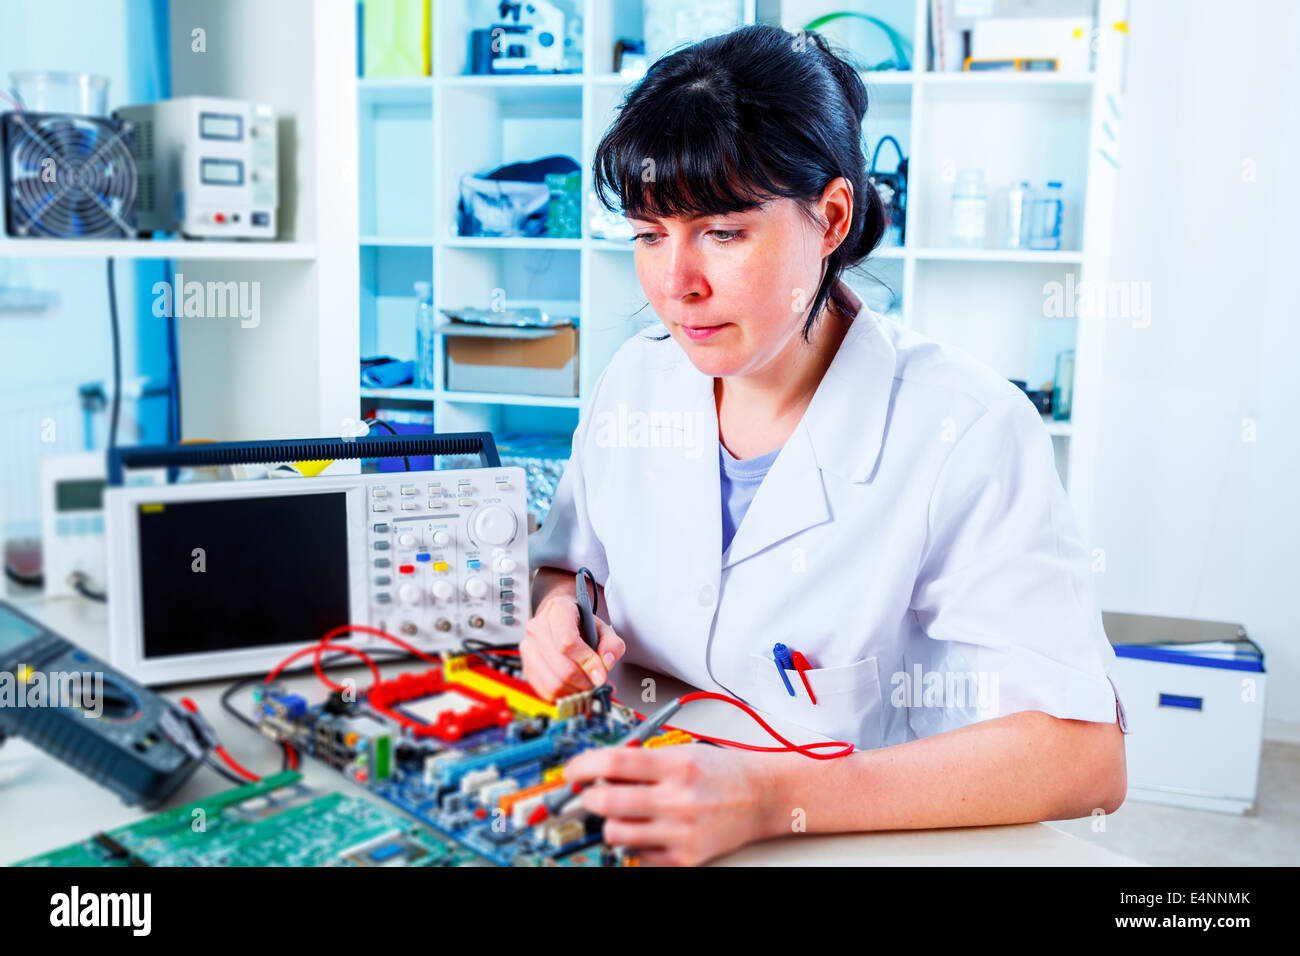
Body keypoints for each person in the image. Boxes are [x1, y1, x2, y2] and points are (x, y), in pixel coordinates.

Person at [524, 24, 1128, 867]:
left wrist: (769, 800)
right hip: (631, 808)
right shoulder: (638, 380)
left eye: (723, 233)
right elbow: (566, 566)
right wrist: (555, 615)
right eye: (649, 235)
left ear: (831, 216)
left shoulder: (968, 428)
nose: (675, 284)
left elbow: (1083, 757)